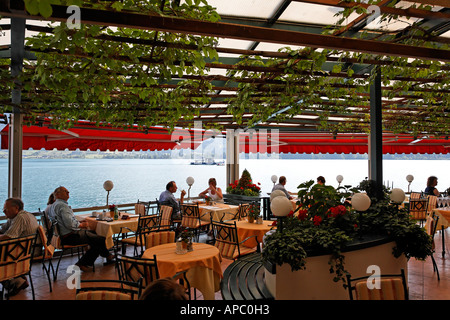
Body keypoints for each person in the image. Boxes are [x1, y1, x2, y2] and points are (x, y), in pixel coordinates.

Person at [50, 186, 114, 272]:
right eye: (65, 191)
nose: (68, 193)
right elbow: (69, 224)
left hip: (61, 236)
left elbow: (65, 221)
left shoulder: (53, 206)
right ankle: (84, 263)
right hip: (70, 237)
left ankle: (106, 255)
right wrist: (82, 225)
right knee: (100, 239)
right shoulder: (62, 206)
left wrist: (78, 222)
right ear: (57, 194)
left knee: (94, 234)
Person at [0, 198, 41, 297]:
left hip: (24, 254)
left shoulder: (20, 218)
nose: (3, 211)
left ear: (16, 208)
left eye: (6, 209)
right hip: (26, 251)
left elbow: (8, 236)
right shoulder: (20, 216)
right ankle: (17, 279)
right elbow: (3, 230)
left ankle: (16, 281)